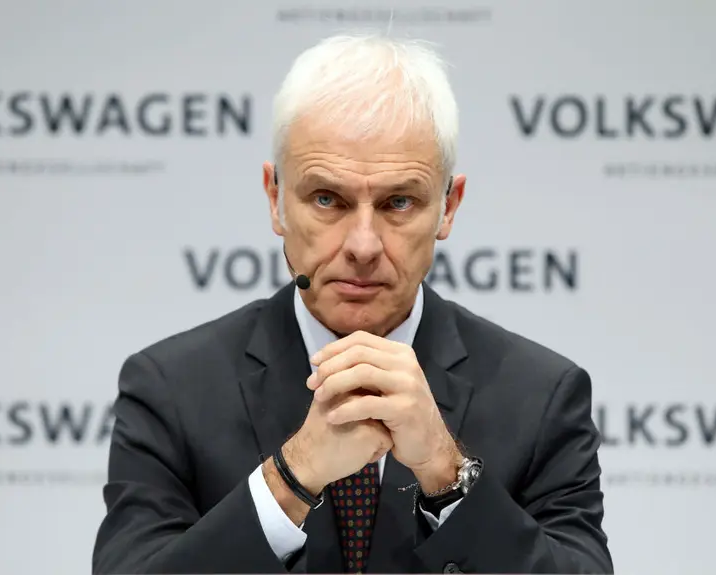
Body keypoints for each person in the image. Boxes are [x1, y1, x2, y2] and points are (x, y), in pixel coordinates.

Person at [92, 33, 613, 574]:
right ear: (275, 199)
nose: (363, 246)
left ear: (448, 208)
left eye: (398, 202)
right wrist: (290, 478)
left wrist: (447, 472)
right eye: (327, 199)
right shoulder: (170, 390)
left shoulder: (542, 396)